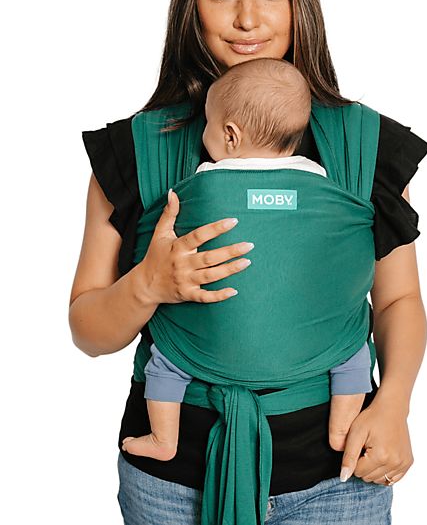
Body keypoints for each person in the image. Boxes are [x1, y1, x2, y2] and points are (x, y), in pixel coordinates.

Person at [70, 0, 427, 524]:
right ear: (191, 5)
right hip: (172, 485)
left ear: (300, 2)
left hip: (340, 478)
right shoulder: (134, 151)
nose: (247, 18)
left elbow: (398, 299)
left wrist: (394, 403)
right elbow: (87, 330)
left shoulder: (360, 145)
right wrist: (148, 284)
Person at [120, 57, 373, 462]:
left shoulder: (205, 180)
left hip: (205, 341)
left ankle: (163, 439)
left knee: (166, 361)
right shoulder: (323, 180)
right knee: (352, 351)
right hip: (316, 339)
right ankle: (343, 430)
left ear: (231, 135)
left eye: (207, 123)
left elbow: (172, 222)